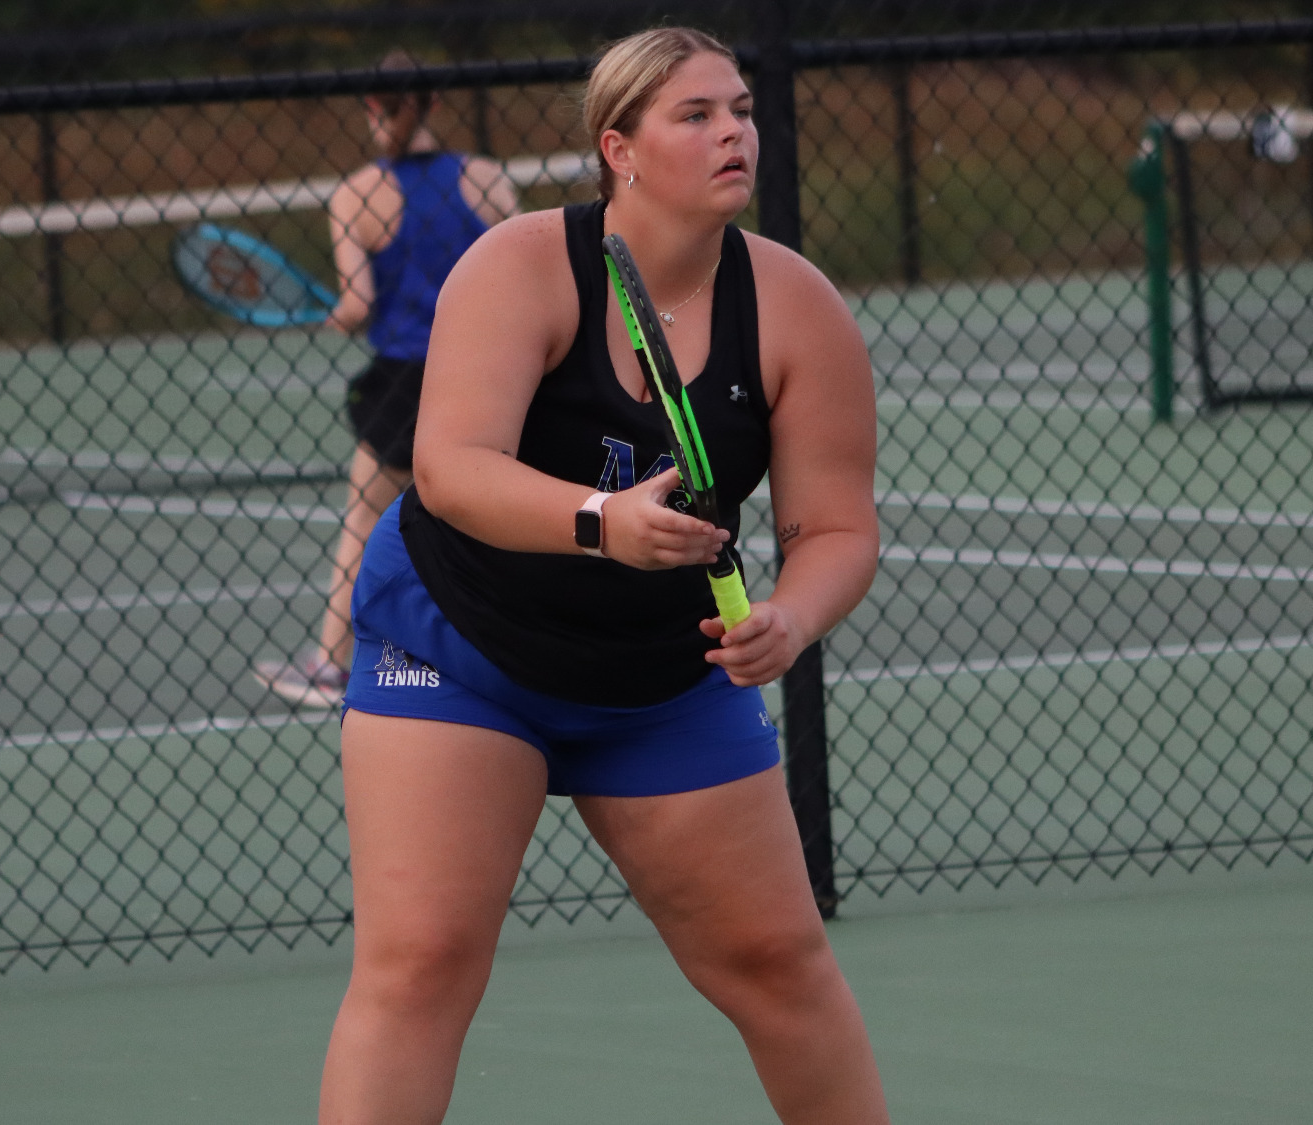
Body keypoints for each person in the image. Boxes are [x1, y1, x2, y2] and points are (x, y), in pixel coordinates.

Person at [318, 26, 888, 1125]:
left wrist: (790, 617)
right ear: (618, 148)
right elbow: (448, 468)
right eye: (696, 115)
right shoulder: (522, 264)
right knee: (422, 963)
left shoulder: (794, 307)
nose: (734, 132)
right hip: (459, 646)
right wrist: (596, 521)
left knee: (776, 962)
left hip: (658, 676)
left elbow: (837, 527)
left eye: (740, 109)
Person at [254, 50, 519, 708]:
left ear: (371, 108)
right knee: (503, 515)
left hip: (408, 382)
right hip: (497, 370)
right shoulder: (488, 178)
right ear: (433, 104)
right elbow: (522, 277)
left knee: (368, 515)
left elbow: (357, 304)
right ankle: (517, 650)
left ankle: (329, 664)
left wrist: (325, 317)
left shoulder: (356, 193)